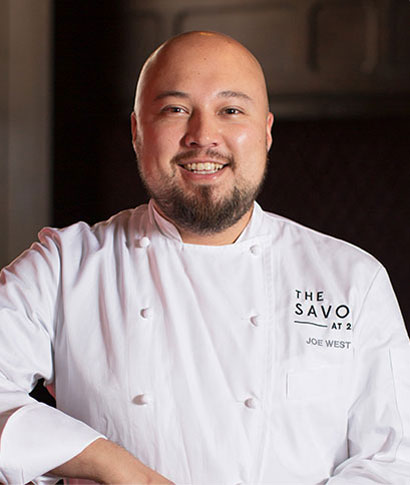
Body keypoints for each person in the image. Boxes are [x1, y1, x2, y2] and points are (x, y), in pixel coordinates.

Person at [0, 30, 409, 485]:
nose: (203, 136)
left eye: (230, 110)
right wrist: (113, 465)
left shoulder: (352, 279)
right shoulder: (64, 266)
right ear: (137, 132)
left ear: (266, 132)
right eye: (175, 110)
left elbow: (393, 460)